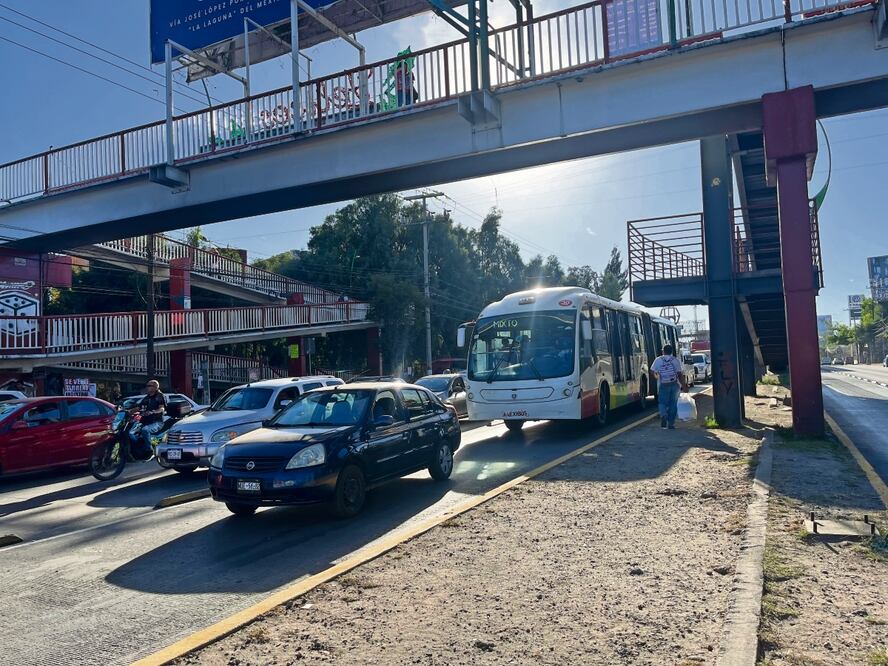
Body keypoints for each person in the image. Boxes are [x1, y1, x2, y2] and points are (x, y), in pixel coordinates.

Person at [651, 344, 685, 429]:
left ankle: (663, 415)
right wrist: (684, 386)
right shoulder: (675, 360)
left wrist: (657, 377)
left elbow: (652, 371)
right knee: (673, 404)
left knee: (662, 402)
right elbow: (680, 374)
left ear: (663, 351)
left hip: (663, 384)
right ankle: (671, 424)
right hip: (674, 385)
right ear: (671, 351)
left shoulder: (658, 360)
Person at [135, 380, 167, 458]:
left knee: (145, 430)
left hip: (157, 422)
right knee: (133, 431)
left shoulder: (159, 396)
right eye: (147, 386)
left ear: (155, 387)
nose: (147, 387)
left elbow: (162, 408)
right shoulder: (146, 398)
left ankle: (150, 451)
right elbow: (138, 407)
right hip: (146, 422)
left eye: (149, 386)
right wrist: (128, 411)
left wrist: (153, 412)